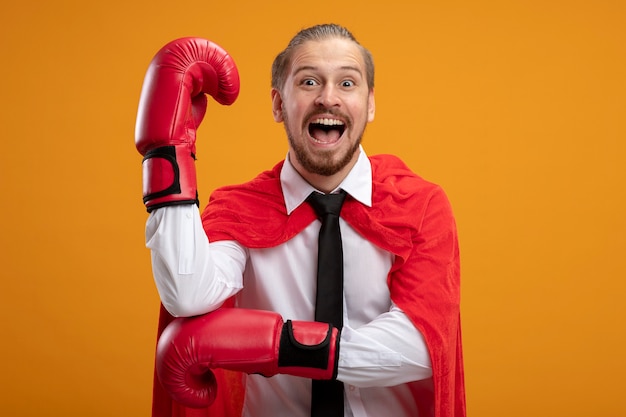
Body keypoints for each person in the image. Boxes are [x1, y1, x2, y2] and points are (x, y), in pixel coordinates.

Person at [135, 24, 466, 417]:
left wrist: (277, 346)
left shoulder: (421, 205)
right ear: (278, 104)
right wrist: (167, 152)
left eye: (347, 83)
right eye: (309, 82)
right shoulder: (241, 207)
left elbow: (420, 347)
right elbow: (187, 294)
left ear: (370, 104)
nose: (328, 99)